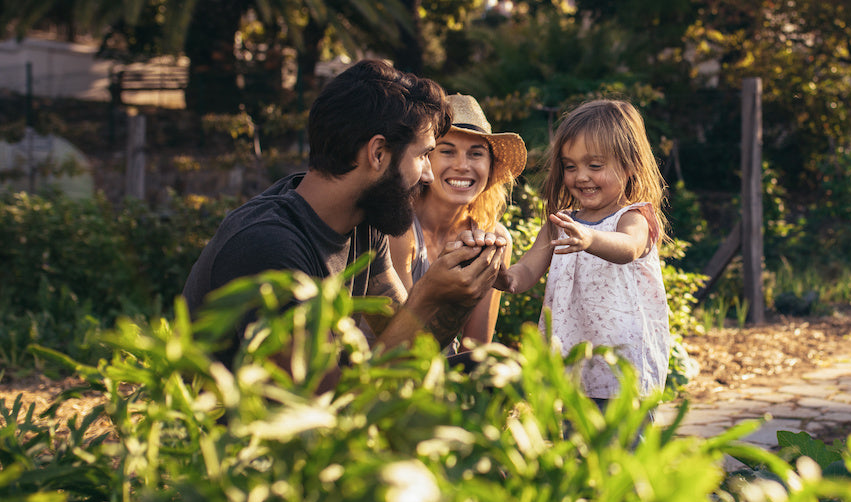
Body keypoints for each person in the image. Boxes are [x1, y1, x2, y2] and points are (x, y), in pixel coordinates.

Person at [182, 60, 507, 372]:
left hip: (328, 408)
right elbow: (325, 404)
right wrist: (428, 295)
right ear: (378, 153)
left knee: (490, 370)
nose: (427, 175)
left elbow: (405, 344)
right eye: (424, 155)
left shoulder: (365, 220)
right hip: (242, 424)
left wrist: (456, 294)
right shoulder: (269, 246)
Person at [496, 98, 670, 406]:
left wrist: (591, 238)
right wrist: (502, 277)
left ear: (630, 166)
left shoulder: (633, 217)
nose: (581, 176)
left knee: (623, 449)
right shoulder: (561, 223)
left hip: (623, 367)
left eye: (595, 165)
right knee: (579, 448)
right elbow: (525, 272)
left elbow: (628, 248)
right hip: (573, 365)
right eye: (570, 166)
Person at [389, 94, 527, 351]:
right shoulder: (399, 227)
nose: (463, 166)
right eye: (447, 151)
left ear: (491, 166)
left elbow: (474, 348)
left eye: (476, 154)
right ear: (425, 158)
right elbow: (397, 338)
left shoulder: (493, 239)